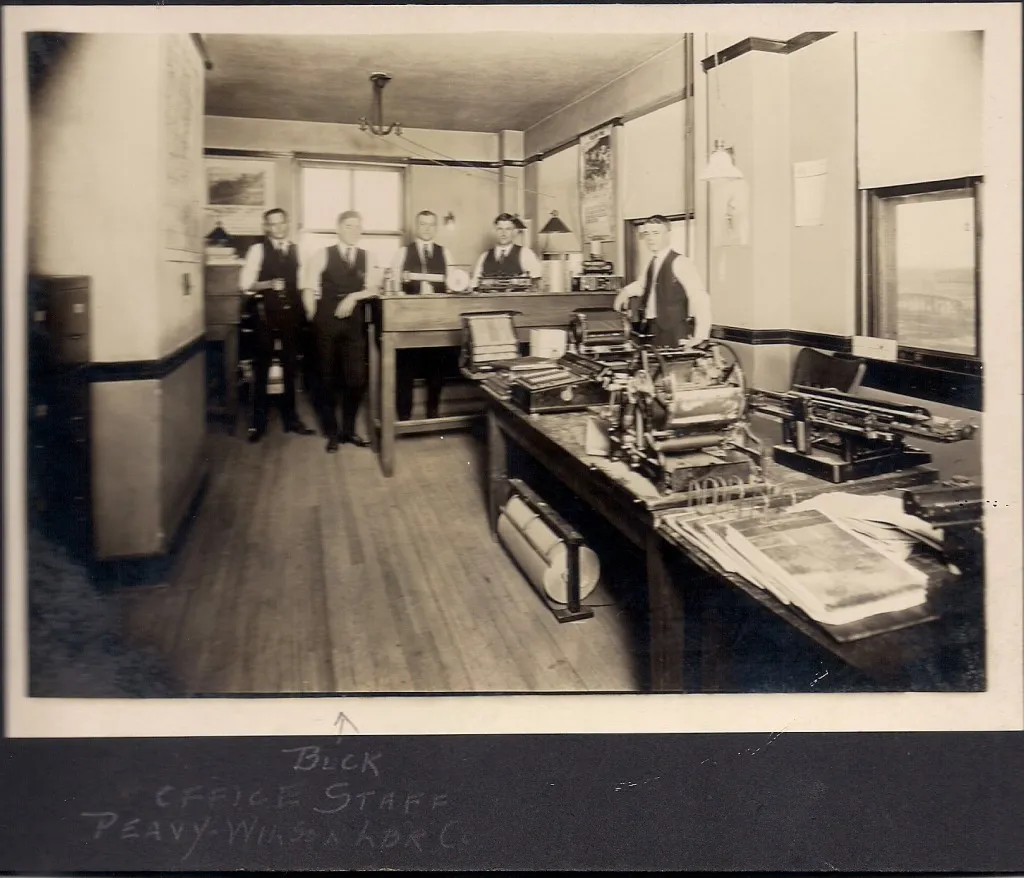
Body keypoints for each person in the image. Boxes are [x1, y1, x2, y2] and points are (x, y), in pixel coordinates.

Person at [302, 210, 378, 453]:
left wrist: (354, 296)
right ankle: (332, 433)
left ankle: (349, 430)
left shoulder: (368, 256)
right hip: (325, 322)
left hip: (354, 324)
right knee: (326, 380)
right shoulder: (322, 255)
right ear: (338, 228)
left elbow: (373, 288)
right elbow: (308, 289)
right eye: (348, 226)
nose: (353, 231)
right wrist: (314, 319)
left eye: (357, 226)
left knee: (356, 379)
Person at [238, 208, 315, 442]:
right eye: (272, 224)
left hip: (291, 317)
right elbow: (245, 285)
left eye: (281, 223)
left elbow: (304, 283)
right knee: (262, 368)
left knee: (291, 368)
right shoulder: (257, 250)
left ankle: (291, 419)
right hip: (264, 317)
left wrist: (309, 308)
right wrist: (268, 284)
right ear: (266, 227)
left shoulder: (297, 249)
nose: (278, 228)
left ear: (287, 223)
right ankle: (258, 424)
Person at [612, 214, 712, 346]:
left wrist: (701, 335)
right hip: (652, 328)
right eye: (647, 234)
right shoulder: (652, 262)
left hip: (674, 332)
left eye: (655, 233)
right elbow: (643, 285)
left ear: (668, 235)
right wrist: (624, 292)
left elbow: (699, 297)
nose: (650, 238)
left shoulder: (681, 262)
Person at [388, 210, 450, 421]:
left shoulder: (445, 253)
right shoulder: (403, 253)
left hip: (436, 322)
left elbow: (453, 286)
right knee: (405, 369)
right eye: (423, 224)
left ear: (436, 227)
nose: (427, 228)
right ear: (417, 226)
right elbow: (394, 287)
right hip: (409, 323)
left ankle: (433, 412)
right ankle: (404, 416)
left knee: (437, 369)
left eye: (431, 224)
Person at [469, 213, 543, 289]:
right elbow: (474, 285)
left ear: (514, 232)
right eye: (500, 229)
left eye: (508, 229)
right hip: (490, 300)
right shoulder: (484, 256)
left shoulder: (526, 253)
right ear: (494, 231)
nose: (503, 233)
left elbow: (537, 281)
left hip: (518, 300)